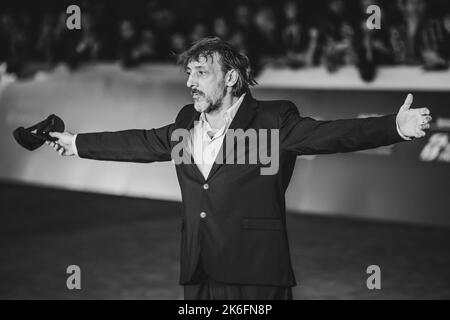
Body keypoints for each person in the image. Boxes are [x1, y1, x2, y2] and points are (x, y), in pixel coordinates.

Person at [46, 37, 432, 300]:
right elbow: (140, 142)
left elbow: (330, 135)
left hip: (255, 273)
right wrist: (76, 142)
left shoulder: (272, 119)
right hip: (197, 268)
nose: (190, 83)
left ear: (231, 78)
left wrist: (394, 127)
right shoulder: (185, 122)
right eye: (188, 74)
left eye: (201, 73)